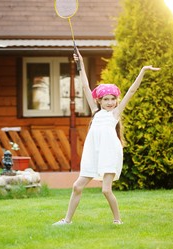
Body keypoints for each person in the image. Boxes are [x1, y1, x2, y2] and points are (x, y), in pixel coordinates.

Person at [53, 48, 160, 225]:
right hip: (93, 154)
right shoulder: (95, 113)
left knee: (105, 190)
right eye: (106, 99)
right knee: (77, 186)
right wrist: (80, 63)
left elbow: (132, 91)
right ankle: (67, 220)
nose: (110, 102)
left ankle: (117, 220)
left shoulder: (115, 114)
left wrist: (142, 71)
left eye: (113, 99)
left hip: (109, 154)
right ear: (99, 101)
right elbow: (86, 86)